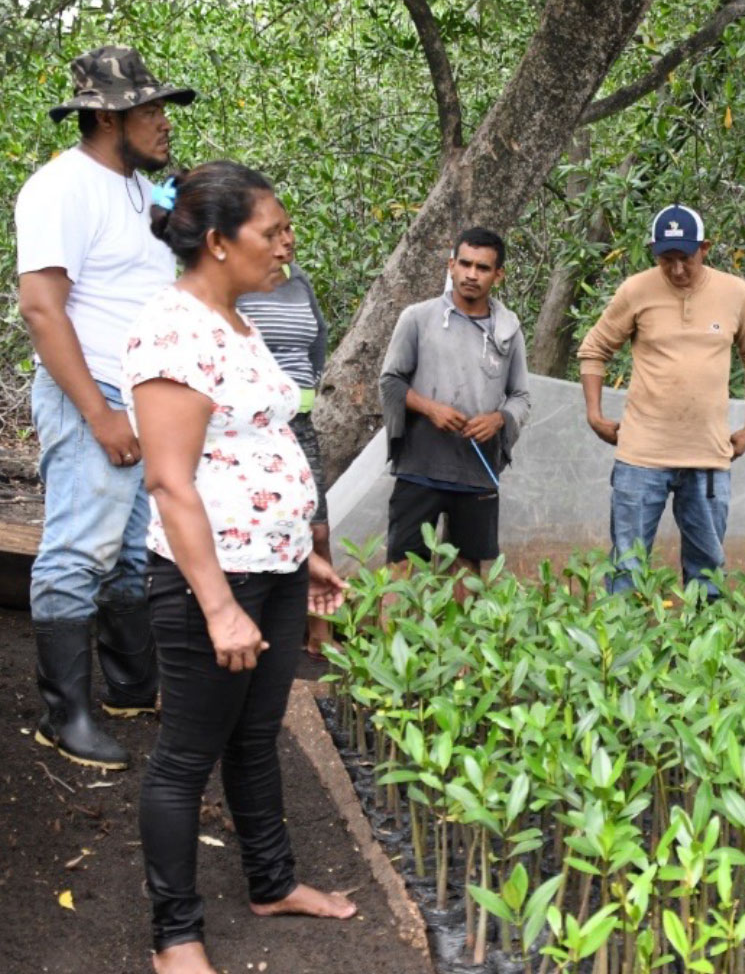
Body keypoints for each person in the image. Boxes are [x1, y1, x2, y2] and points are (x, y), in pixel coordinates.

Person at [124, 160, 357, 974]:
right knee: (186, 755)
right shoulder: (172, 330)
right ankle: (175, 936)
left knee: (257, 737)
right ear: (219, 242)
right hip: (210, 580)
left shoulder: (240, 321)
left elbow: (263, 443)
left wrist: (306, 554)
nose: (287, 244)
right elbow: (170, 480)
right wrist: (220, 606)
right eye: (273, 231)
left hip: (278, 566)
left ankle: (272, 882)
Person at [15, 45, 196, 770]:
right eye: (149, 110)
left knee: (129, 553)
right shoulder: (61, 188)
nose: (163, 122)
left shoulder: (134, 189)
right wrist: (99, 413)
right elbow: (41, 308)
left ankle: (128, 685)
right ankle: (64, 717)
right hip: (93, 392)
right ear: (104, 115)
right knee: (76, 551)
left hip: (141, 396)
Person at [577, 204, 745, 597]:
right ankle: (620, 654)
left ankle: (703, 654)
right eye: (667, 259)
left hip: (708, 456)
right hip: (640, 456)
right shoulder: (636, 290)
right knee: (628, 568)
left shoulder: (735, 293)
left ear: (705, 248)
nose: (677, 269)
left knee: (707, 571)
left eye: (685, 258)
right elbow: (593, 349)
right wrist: (594, 414)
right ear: (654, 252)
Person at [379, 227, 530, 585]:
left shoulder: (509, 330)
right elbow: (390, 381)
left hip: (477, 469)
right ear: (451, 266)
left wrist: (499, 419)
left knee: (467, 571)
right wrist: (431, 409)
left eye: (483, 267)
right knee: (404, 566)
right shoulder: (418, 318)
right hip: (420, 464)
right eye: (465, 264)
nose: (471, 275)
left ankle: (462, 641)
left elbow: (521, 396)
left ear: (499, 274)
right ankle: (395, 640)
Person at [236, 249, 333, 658]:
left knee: (318, 527)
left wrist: (307, 382)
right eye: (273, 232)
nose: (284, 240)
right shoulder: (236, 280)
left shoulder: (300, 280)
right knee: (254, 520)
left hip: (300, 421)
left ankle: (321, 633)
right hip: (252, 423)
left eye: (287, 229)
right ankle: (250, 627)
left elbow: (319, 336)